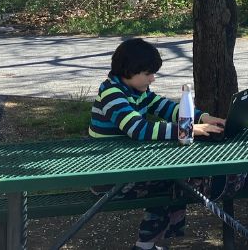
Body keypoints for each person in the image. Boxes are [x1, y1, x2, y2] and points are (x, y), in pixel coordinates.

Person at [90, 37, 226, 250]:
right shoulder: (111, 94)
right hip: (109, 177)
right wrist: (188, 130)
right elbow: (138, 129)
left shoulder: (138, 92)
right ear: (128, 70)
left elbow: (167, 108)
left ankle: (145, 245)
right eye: (148, 74)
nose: (152, 79)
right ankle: (221, 185)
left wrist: (203, 118)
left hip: (127, 168)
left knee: (175, 180)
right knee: (177, 181)